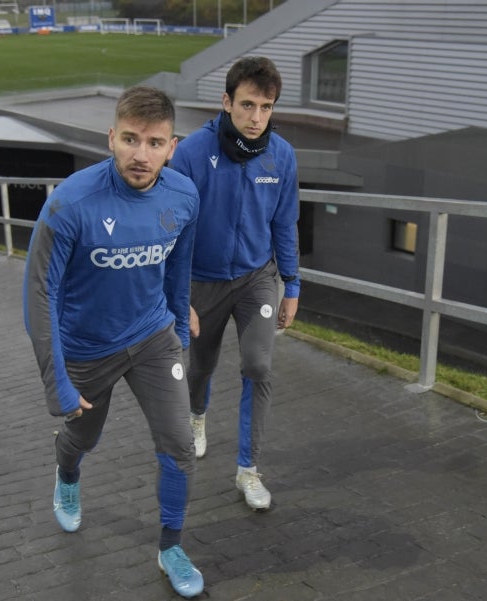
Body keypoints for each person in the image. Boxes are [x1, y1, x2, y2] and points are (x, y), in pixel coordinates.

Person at [22, 86, 204, 598]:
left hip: (152, 338)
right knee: (84, 439)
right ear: (111, 138)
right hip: (87, 348)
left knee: (180, 446)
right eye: (130, 139)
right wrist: (56, 380)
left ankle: (170, 547)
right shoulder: (70, 202)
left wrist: (178, 318)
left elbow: (179, 266)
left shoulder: (184, 196)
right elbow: (38, 293)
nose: (140, 154)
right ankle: (67, 475)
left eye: (154, 143)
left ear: (171, 147)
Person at [170, 56, 300, 511]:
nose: (256, 117)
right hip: (201, 281)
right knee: (201, 366)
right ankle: (197, 416)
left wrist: (292, 285)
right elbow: (174, 231)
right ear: (226, 102)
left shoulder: (282, 155)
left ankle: (248, 469)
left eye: (266, 107)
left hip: (256, 278)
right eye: (247, 105)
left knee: (258, 366)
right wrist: (177, 294)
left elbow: (285, 223)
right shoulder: (191, 153)